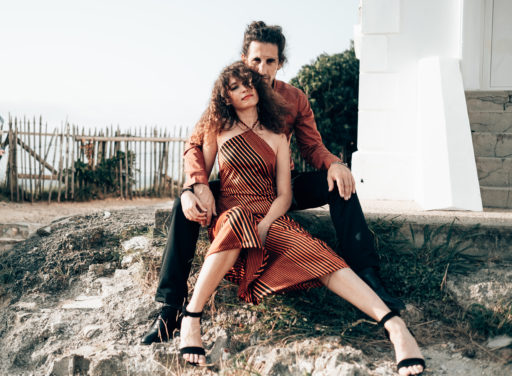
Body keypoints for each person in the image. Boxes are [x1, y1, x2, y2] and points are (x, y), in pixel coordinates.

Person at [142, 21, 404, 346]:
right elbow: (197, 144)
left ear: (280, 62)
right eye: (256, 61)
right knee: (183, 206)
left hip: (281, 186)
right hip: (234, 186)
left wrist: (335, 165)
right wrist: (195, 185)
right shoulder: (227, 96)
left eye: (270, 61)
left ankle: (368, 276)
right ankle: (170, 309)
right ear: (244, 59)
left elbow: (311, 146)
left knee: (339, 184)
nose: (262, 69)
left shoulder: (294, 99)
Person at [177, 62, 425, 375]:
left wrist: (267, 223)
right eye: (236, 87)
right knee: (239, 217)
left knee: (319, 254)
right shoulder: (217, 131)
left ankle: (395, 326)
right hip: (231, 214)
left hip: (269, 214)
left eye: (249, 83)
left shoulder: (279, 136)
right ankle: (192, 316)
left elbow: (284, 195)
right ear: (226, 98)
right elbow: (199, 175)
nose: (245, 89)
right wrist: (190, 192)